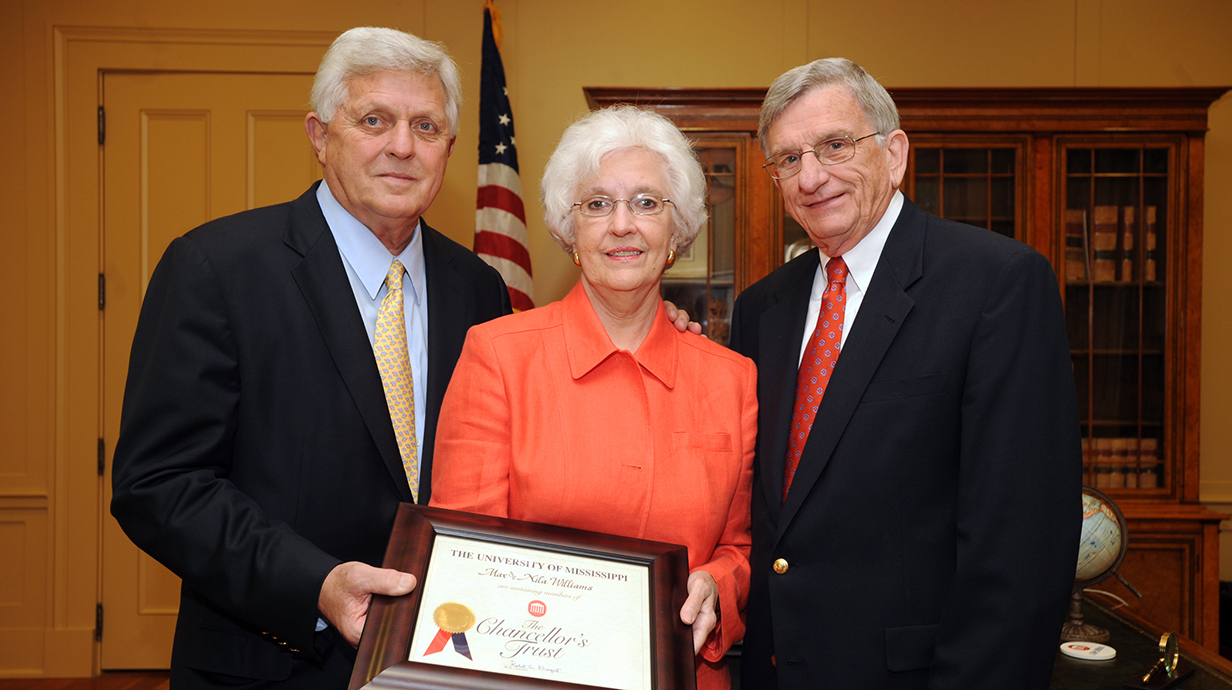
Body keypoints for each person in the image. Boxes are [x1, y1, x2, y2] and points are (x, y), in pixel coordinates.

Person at [108, 27, 514, 689]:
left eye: (426, 125)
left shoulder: (479, 287)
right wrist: (316, 584)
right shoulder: (217, 268)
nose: (402, 146)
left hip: (445, 656)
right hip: (272, 662)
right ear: (320, 135)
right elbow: (160, 485)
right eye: (374, 120)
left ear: (449, 147)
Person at [729, 58, 1082, 689]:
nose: (811, 177)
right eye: (787, 159)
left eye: (835, 145)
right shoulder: (762, 308)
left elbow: (1020, 546)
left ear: (894, 154)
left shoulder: (995, 283)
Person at [429, 105, 756, 690]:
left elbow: (739, 547)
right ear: (567, 228)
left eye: (647, 203)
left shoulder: (731, 379)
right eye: (598, 204)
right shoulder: (497, 356)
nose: (623, 225)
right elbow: (460, 556)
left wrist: (716, 583)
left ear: (677, 232)